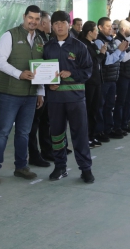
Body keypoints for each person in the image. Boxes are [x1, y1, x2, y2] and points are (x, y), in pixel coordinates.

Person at [0, 5, 44, 185]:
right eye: (30, 18)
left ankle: (21, 167)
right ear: (24, 17)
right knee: (2, 133)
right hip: (9, 94)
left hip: (30, 95)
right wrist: (19, 74)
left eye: (37, 19)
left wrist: (40, 92)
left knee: (24, 133)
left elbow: (40, 67)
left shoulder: (39, 39)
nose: (33, 21)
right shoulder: (10, 35)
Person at [43, 11, 94, 183]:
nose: (59, 26)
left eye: (62, 23)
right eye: (56, 23)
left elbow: (88, 70)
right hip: (55, 100)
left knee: (80, 134)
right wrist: (48, 84)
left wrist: (71, 73)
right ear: (52, 26)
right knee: (56, 135)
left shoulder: (79, 46)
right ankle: (60, 167)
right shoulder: (47, 47)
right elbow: (42, 72)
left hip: (75, 99)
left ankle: (85, 169)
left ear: (68, 24)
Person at [94, 17, 127, 141]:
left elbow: (118, 58)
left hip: (113, 78)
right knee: (101, 106)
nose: (110, 28)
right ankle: (99, 131)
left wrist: (122, 50)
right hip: (104, 78)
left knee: (109, 106)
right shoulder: (99, 41)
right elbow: (107, 60)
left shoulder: (111, 40)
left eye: (111, 26)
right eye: (107, 26)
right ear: (100, 27)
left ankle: (108, 129)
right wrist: (119, 50)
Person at [29, 11, 53, 166]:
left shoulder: (45, 38)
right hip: (36, 87)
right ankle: (34, 155)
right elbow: (38, 63)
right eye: (50, 22)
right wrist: (40, 90)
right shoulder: (36, 39)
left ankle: (47, 150)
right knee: (34, 123)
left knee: (46, 120)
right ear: (44, 23)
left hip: (46, 85)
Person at [78, 21, 104, 148]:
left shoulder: (92, 44)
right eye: (96, 31)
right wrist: (102, 54)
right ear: (89, 32)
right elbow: (92, 63)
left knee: (94, 109)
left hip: (97, 80)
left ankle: (92, 135)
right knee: (87, 110)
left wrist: (102, 53)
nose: (97, 33)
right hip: (89, 82)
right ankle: (86, 137)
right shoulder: (83, 45)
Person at [113, 20, 130, 137]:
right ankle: (117, 126)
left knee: (128, 101)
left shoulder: (126, 40)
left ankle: (125, 124)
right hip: (123, 75)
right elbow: (124, 58)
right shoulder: (118, 40)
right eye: (129, 28)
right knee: (120, 102)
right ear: (123, 29)